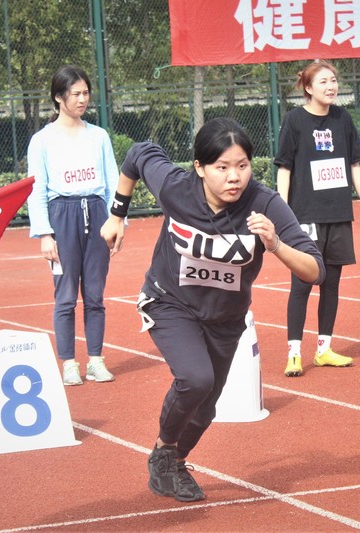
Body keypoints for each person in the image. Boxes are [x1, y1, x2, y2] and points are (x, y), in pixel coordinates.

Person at [100, 118, 324, 502]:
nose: (234, 177)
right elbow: (137, 154)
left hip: (225, 319)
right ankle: (164, 453)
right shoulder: (175, 188)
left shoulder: (264, 204)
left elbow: (315, 271)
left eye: (243, 165)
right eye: (222, 167)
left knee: (205, 410)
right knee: (196, 378)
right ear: (200, 167)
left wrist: (275, 244)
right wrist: (116, 215)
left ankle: (172, 461)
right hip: (169, 301)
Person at [274, 59, 360, 378]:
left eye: (333, 80)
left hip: (338, 214)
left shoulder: (342, 118)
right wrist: (283, 212)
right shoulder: (294, 120)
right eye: (323, 82)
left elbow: (354, 164)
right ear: (308, 87)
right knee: (302, 283)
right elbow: (284, 168)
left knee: (331, 284)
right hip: (305, 215)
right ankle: (294, 353)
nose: (331, 86)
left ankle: (323, 349)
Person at [27, 65, 119, 386]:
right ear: (58, 97)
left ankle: (95, 360)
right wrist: (45, 233)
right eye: (75, 94)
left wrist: (115, 222)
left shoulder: (99, 136)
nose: (82, 99)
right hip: (61, 215)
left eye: (86, 93)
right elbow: (36, 189)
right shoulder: (42, 140)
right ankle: (68, 363)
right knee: (65, 296)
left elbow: (112, 182)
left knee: (95, 295)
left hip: (96, 213)